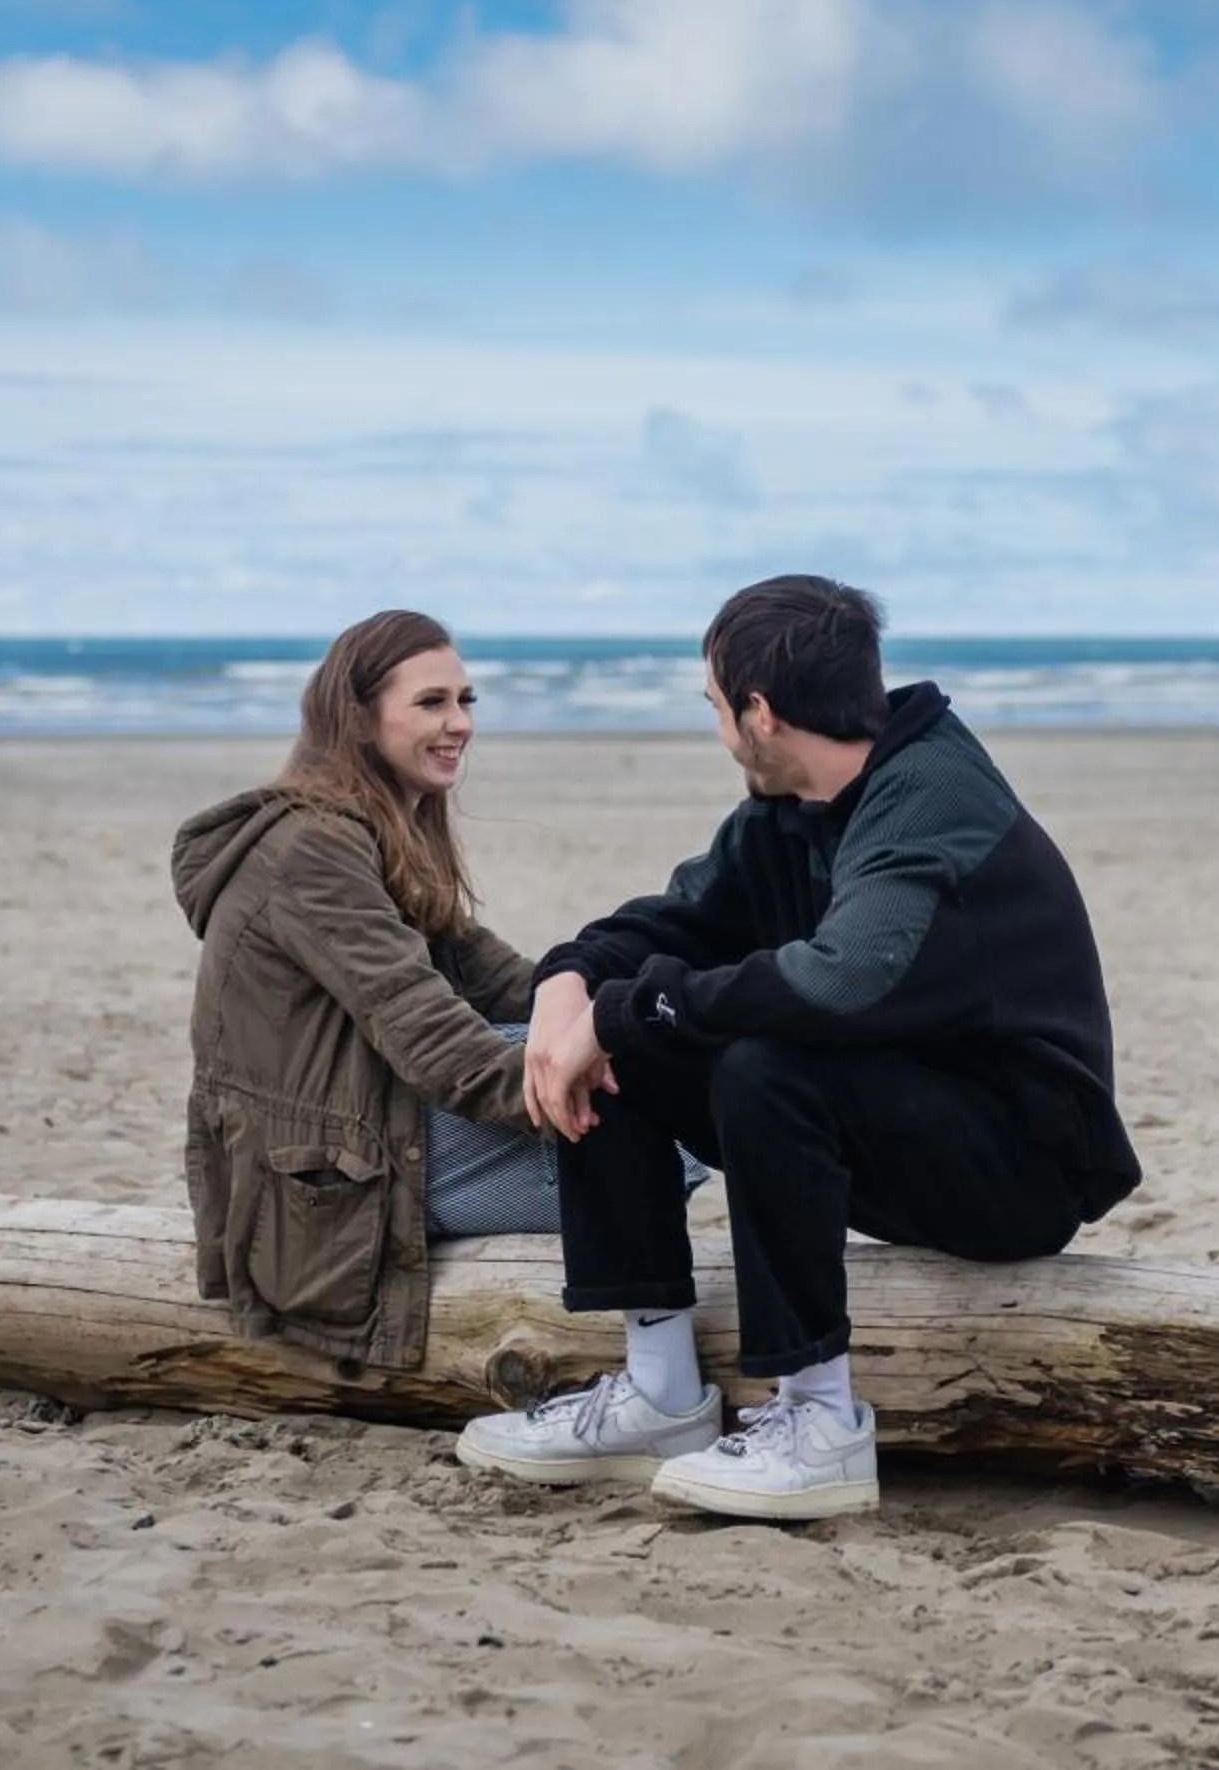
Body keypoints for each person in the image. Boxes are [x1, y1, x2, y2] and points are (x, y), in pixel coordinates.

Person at [456, 575, 1142, 1518]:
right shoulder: (790, 809)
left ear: (760, 713)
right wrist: (569, 986)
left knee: (761, 1061)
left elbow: (836, 979)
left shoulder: (929, 798)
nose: (717, 729)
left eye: (714, 707)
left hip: (1020, 1163)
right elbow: (679, 920)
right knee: (635, 1045)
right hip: (900, 1127)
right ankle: (661, 1394)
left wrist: (621, 1010)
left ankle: (819, 1425)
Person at [170, 610, 557, 1371]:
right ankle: (660, 1369)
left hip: (359, 1128)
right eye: (431, 703)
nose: (460, 724)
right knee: (649, 1136)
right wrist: (583, 1086)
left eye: (466, 700)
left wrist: (631, 1010)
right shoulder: (312, 847)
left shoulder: (377, 831)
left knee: (646, 1076)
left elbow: (506, 983)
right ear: (359, 717)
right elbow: (435, 1041)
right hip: (317, 1185)